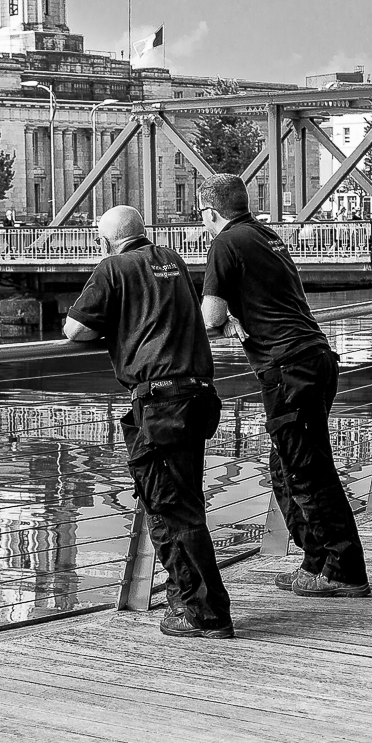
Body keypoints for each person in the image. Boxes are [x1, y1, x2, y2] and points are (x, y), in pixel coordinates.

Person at [63, 205, 234, 638]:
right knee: (184, 502)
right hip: (196, 394)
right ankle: (192, 603)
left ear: (105, 241)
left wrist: (114, 327)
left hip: (161, 404)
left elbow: (75, 330)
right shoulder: (171, 259)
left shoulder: (112, 267)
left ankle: (204, 613)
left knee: (170, 508)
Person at [196, 172, 370, 597]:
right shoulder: (265, 235)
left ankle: (345, 571)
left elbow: (210, 318)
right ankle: (316, 564)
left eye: (200, 213)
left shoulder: (225, 243)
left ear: (210, 211)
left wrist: (226, 319)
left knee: (308, 472)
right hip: (315, 358)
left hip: (287, 368)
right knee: (287, 467)